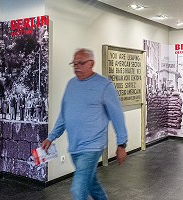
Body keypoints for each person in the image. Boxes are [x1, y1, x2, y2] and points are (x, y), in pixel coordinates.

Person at [41, 48, 128, 200]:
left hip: (92, 146)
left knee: (78, 189)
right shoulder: (71, 85)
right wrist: (51, 137)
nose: (76, 66)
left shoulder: (104, 85)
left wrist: (122, 144)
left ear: (91, 64)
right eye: (74, 63)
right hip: (75, 146)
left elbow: (117, 115)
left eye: (81, 63)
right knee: (92, 185)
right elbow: (64, 115)